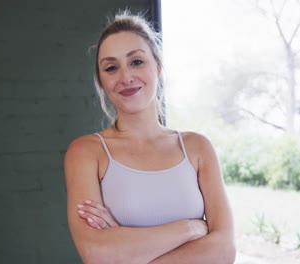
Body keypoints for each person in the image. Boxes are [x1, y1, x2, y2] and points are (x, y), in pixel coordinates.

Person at [64, 10, 236, 263]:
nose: (125, 77)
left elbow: (224, 250)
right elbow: (98, 254)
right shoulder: (86, 152)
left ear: (157, 67)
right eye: (111, 67)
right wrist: (191, 229)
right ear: (102, 82)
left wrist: (125, 248)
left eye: (136, 62)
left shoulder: (197, 148)